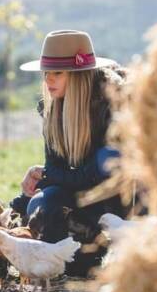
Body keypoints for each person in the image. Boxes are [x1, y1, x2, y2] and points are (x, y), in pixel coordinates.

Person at [10, 30, 127, 276]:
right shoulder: (51, 110)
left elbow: (95, 174)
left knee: (108, 158)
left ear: (79, 75)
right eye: (46, 73)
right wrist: (40, 180)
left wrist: (49, 176)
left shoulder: (111, 106)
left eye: (58, 72)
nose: (48, 80)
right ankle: (73, 255)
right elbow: (58, 170)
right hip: (81, 196)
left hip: (116, 201)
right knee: (41, 203)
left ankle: (122, 246)